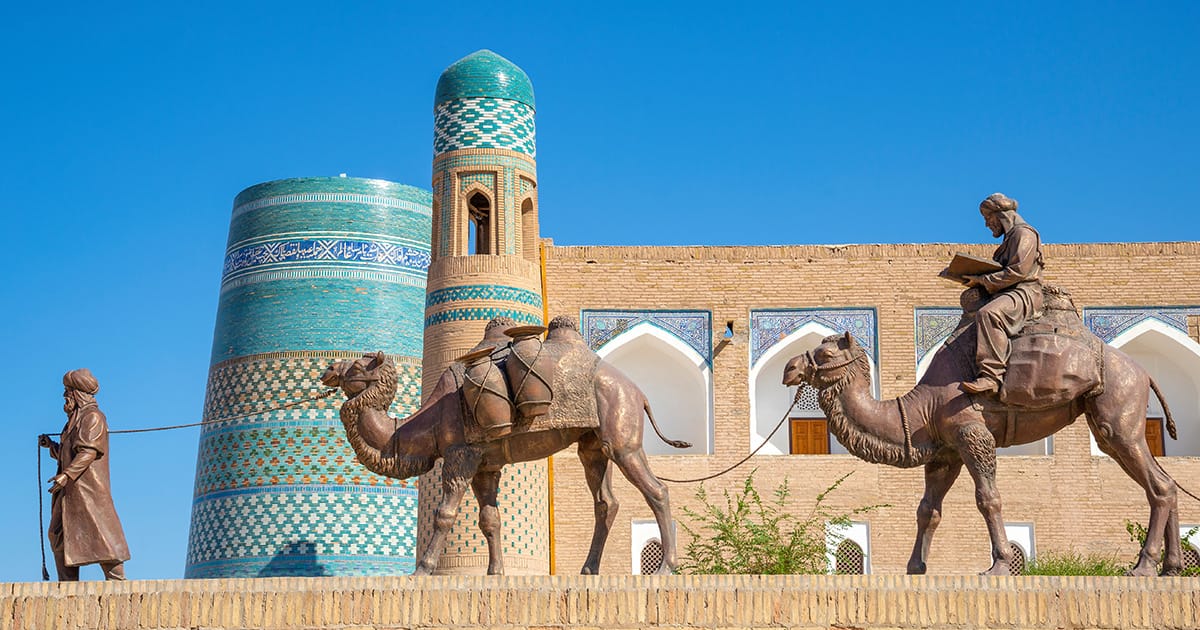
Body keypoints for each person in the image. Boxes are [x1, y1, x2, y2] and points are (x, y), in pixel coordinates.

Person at [38, 368, 130, 580]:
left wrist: (66, 475)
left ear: (77, 393)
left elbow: (88, 452)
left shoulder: (93, 417)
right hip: (70, 491)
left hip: (88, 490)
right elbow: (69, 454)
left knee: (103, 534)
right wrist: (51, 446)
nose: (64, 396)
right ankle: (68, 583)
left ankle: (117, 581)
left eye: (67, 391)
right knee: (58, 533)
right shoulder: (75, 419)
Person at [960, 193, 1045, 395]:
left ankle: (991, 376)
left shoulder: (1024, 234)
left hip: (1024, 293)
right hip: (1008, 291)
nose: (987, 225)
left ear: (1000, 215)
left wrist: (982, 280)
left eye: (988, 219)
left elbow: (1018, 271)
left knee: (988, 314)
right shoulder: (1011, 237)